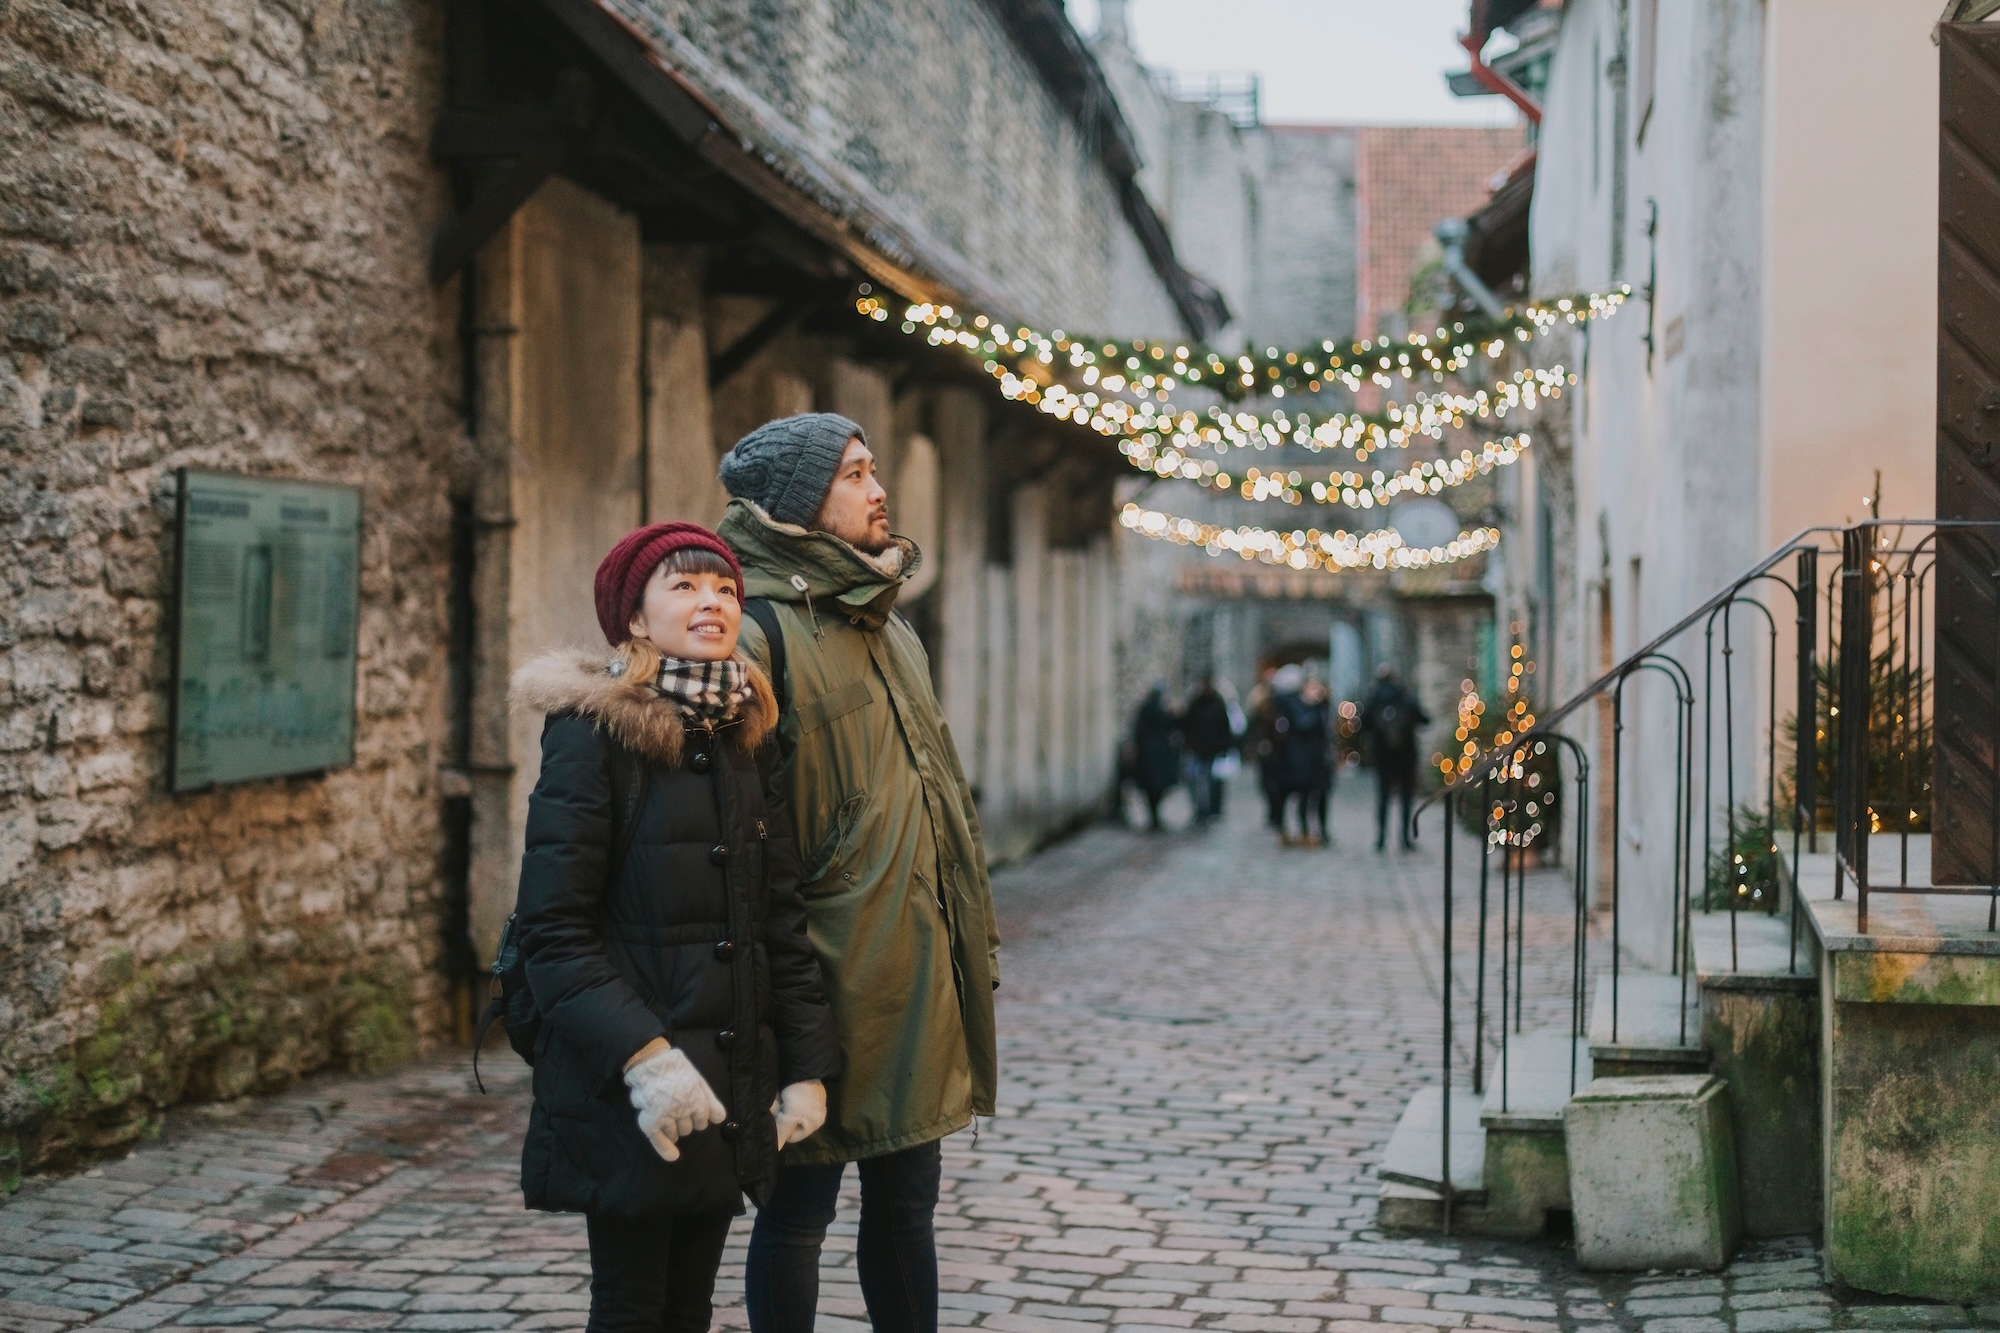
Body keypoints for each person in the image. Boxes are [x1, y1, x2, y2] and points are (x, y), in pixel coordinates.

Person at [510, 522, 841, 1333]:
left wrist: (806, 1067)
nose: (712, 602)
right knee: (631, 1303)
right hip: (629, 1078)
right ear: (634, 617)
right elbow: (551, 932)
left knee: (689, 1303)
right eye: (684, 586)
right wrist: (648, 1061)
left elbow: (778, 920)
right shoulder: (592, 736)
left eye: (725, 587)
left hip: (726, 1074)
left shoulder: (742, 734)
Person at [715, 413, 999, 1333]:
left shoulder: (889, 623)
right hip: (820, 981)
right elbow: (729, 829)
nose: (879, 491)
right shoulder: (757, 631)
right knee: (798, 1214)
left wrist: (969, 940)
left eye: (875, 469)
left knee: (910, 1203)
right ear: (802, 503)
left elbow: (937, 794)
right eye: (854, 474)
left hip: (915, 970)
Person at [1360, 664, 1431, 851]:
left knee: (1383, 796)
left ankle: (1381, 838)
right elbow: (1424, 720)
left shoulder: (1374, 699)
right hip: (1406, 755)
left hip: (1382, 756)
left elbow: (1362, 725)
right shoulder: (1405, 697)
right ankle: (1405, 838)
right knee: (1406, 797)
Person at [1266, 664, 1333, 846]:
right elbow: (1304, 725)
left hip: (1316, 760)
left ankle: (1318, 831)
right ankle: (1299, 832)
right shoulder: (1296, 705)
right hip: (1298, 761)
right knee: (1299, 796)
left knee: (1318, 796)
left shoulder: (1320, 706)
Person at [1178, 676, 1237, 824]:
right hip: (1197, 749)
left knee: (1212, 782)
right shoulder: (1196, 704)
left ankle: (1211, 809)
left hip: (1212, 750)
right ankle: (1201, 810)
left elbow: (1224, 728)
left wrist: (1224, 748)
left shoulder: (1217, 704)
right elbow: (1187, 725)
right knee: (1196, 782)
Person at [1131, 684, 1182, 831]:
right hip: (1155, 756)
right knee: (1155, 788)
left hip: (1153, 755)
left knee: (1154, 789)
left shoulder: (1148, 710)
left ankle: (1154, 818)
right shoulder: (1156, 710)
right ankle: (1154, 818)